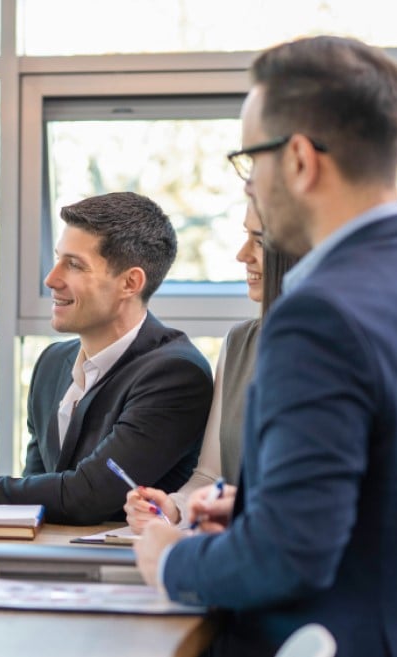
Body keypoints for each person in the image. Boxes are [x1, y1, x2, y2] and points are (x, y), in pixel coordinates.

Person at [136, 36, 397, 657]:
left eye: (249, 160)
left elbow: (287, 558)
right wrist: (261, 509)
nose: (251, 183)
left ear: (301, 161)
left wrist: (171, 561)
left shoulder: (316, 317)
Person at [0, 192, 213, 525]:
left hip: (129, 566)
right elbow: (36, 491)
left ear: (130, 282)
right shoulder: (51, 364)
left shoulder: (176, 374)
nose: (51, 279)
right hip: (50, 555)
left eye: (75, 265)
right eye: (57, 259)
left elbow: (88, 495)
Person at [125, 204, 298, 531]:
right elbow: (210, 475)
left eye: (259, 241)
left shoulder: (334, 349)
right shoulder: (238, 343)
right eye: (245, 236)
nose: (242, 254)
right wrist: (173, 507)